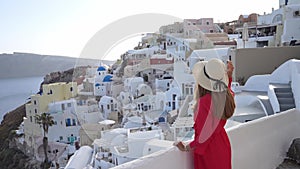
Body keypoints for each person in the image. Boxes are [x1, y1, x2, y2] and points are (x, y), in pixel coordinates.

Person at [175, 58, 236, 169]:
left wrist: (187, 147)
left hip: (209, 152)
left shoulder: (204, 102)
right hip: (222, 145)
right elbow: (226, 91)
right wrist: (229, 77)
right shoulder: (223, 98)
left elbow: (205, 136)